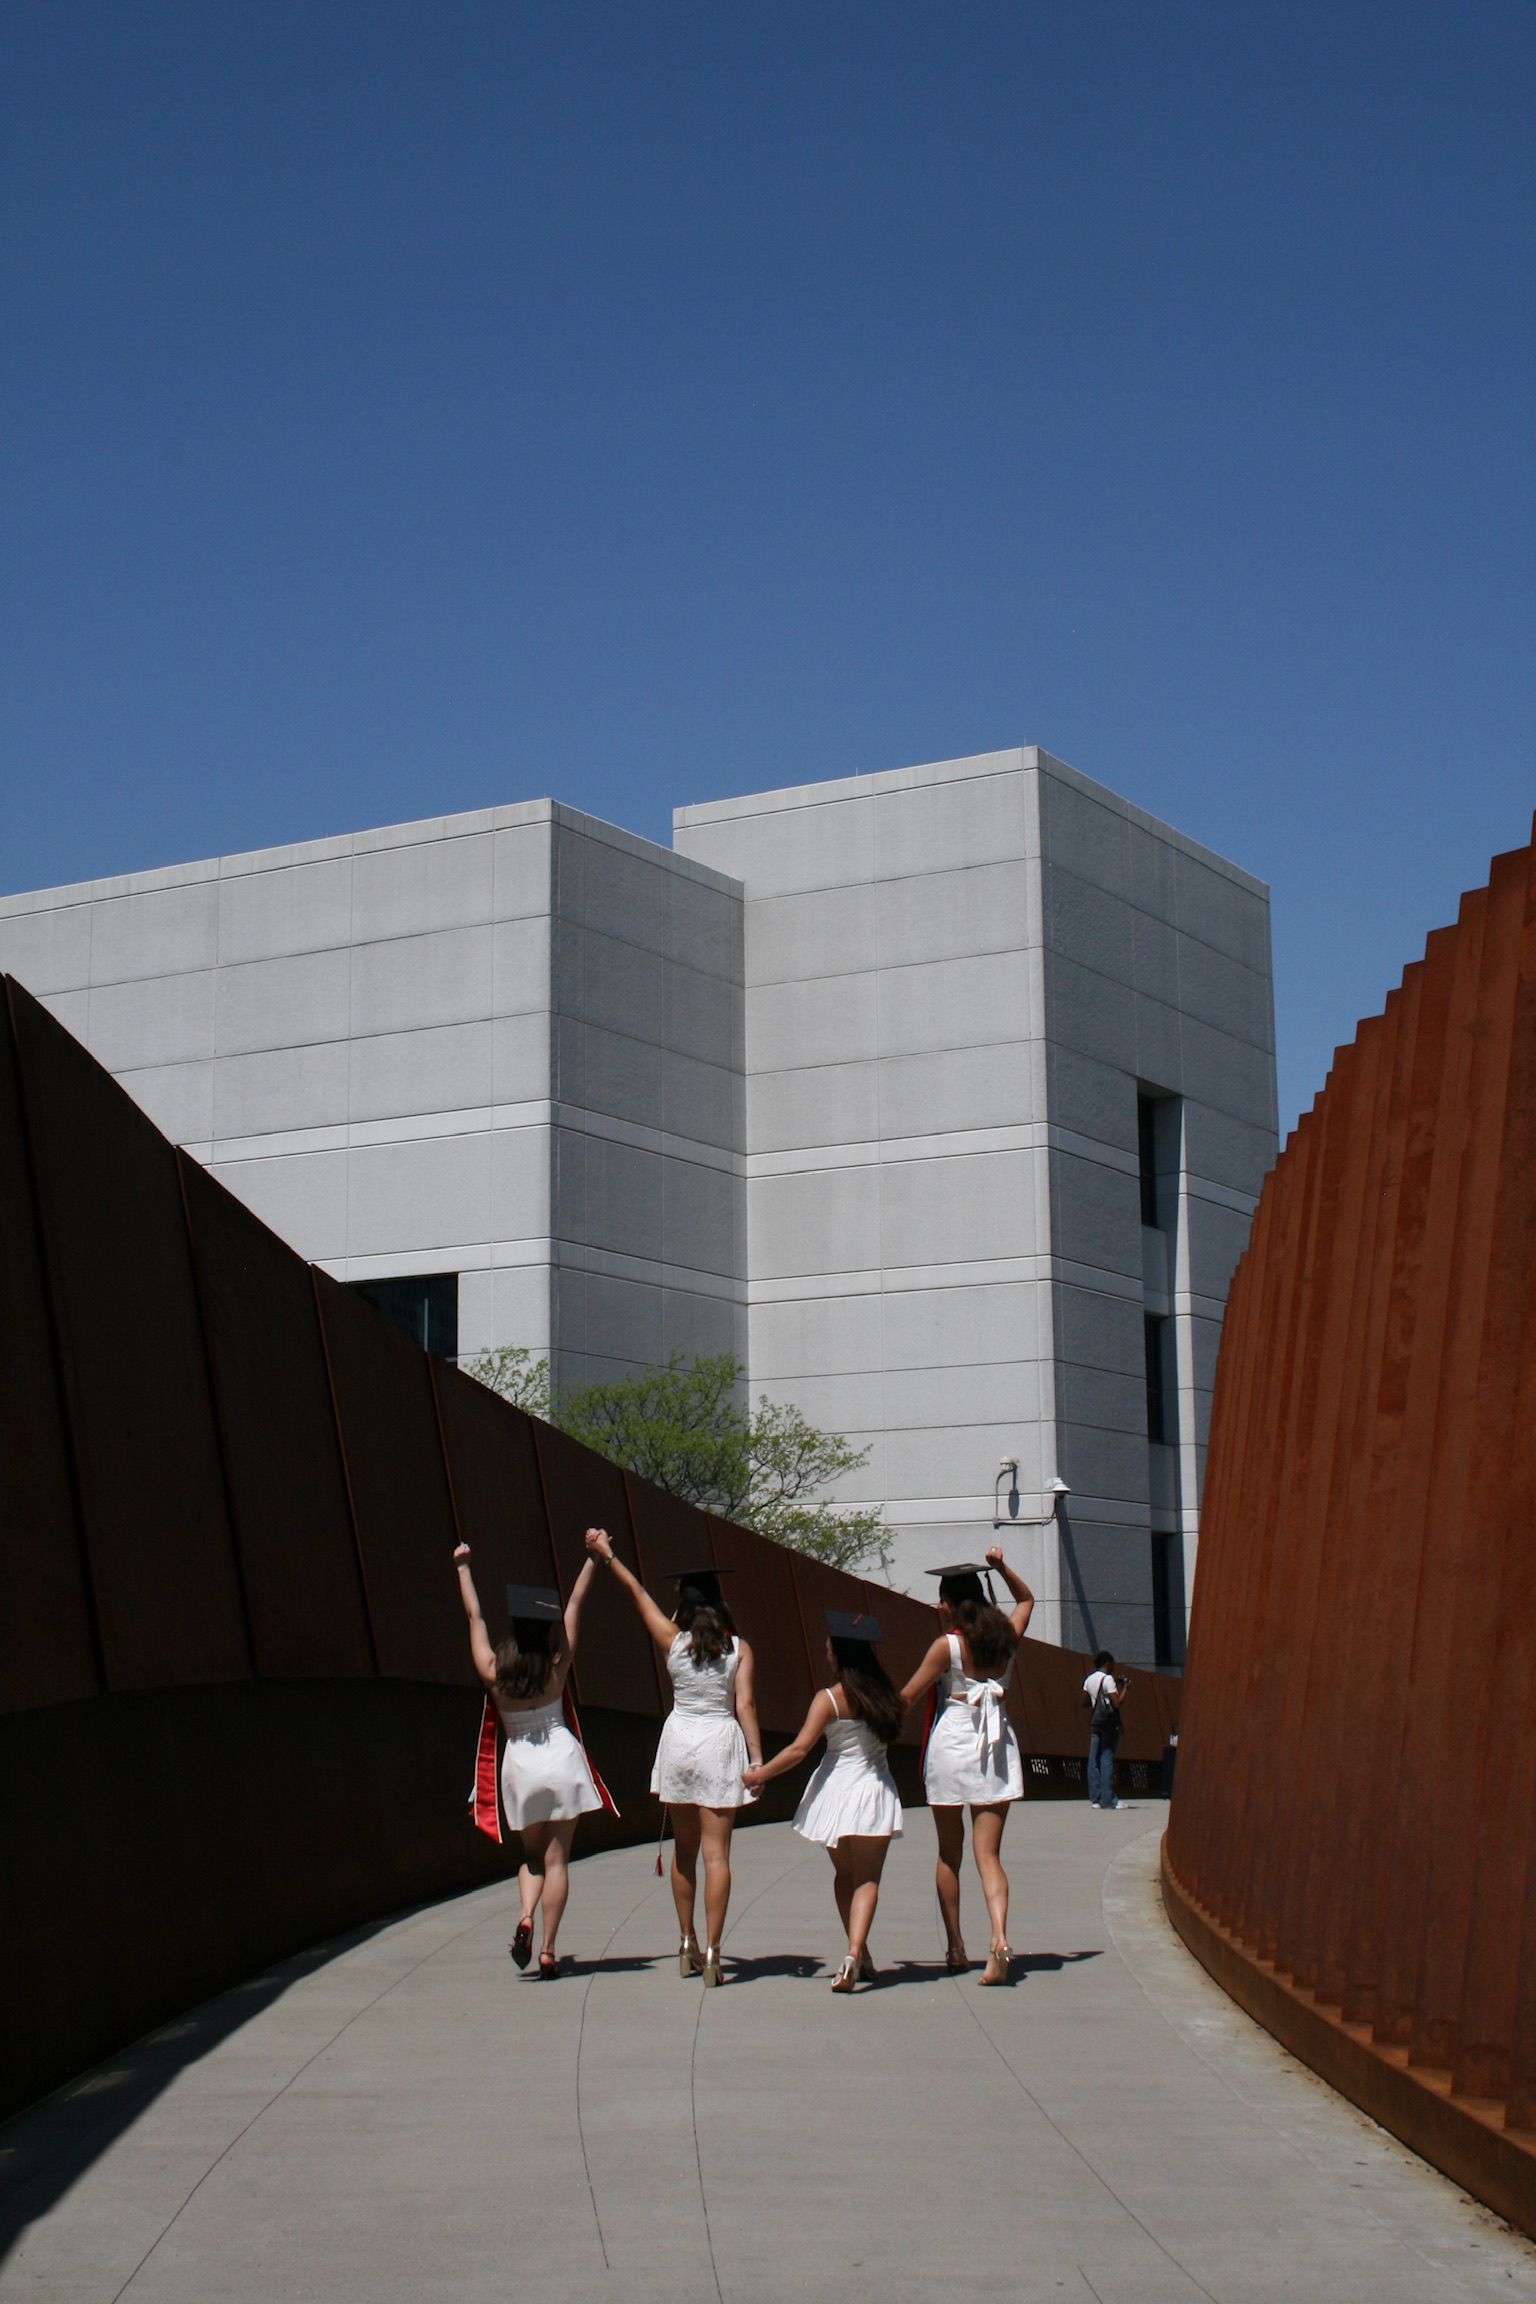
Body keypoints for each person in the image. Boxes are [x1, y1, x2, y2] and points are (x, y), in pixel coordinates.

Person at [584, 1530, 762, 1985]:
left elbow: (636, 1593)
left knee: (684, 1851)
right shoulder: (739, 1650)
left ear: (683, 1606)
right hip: (720, 1742)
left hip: (679, 1741)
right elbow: (745, 1706)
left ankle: (686, 1942)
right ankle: (713, 1953)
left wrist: (609, 1555)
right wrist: (757, 1760)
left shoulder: (672, 1640)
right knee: (716, 1856)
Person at [453, 1546, 607, 1979]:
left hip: (520, 1765)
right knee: (558, 1861)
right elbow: (575, 1606)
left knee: (533, 1857)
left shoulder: (493, 1671)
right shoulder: (556, 1669)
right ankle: (548, 1951)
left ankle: (525, 1915)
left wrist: (464, 1568)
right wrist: (593, 1560)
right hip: (561, 1758)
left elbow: (475, 1617)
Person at [743, 1609, 904, 1993]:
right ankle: (856, 1953)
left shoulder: (829, 1699)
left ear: (839, 1654)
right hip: (873, 1791)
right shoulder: (886, 1697)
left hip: (835, 1792)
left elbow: (800, 1749)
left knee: (845, 1876)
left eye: (829, 1646)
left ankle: (856, 1952)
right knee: (868, 1879)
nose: (826, 1651)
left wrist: (760, 1774)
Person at [900, 1546, 1034, 1986]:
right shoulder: (1007, 1638)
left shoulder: (948, 1647)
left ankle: (956, 1946)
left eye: (942, 1600)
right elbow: (1026, 1600)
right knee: (989, 1855)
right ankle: (998, 1938)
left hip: (954, 1742)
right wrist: (1000, 1567)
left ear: (954, 1605)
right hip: (995, 1744)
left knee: (949, 1852)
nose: (938, 1607)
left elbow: (908, 1697)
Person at [1082, 1651, 1129, 1809]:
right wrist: (1125, 1688)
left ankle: (1095, 1798)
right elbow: (1117, 1704)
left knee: (1093, 1759)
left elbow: (1084, 1702)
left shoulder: (1089, 1679)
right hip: (1108, 1724)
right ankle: (1109, 1799)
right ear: (1108, 1663)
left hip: (1096, 1722)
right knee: (1106, 1758)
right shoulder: (1108, 1679)